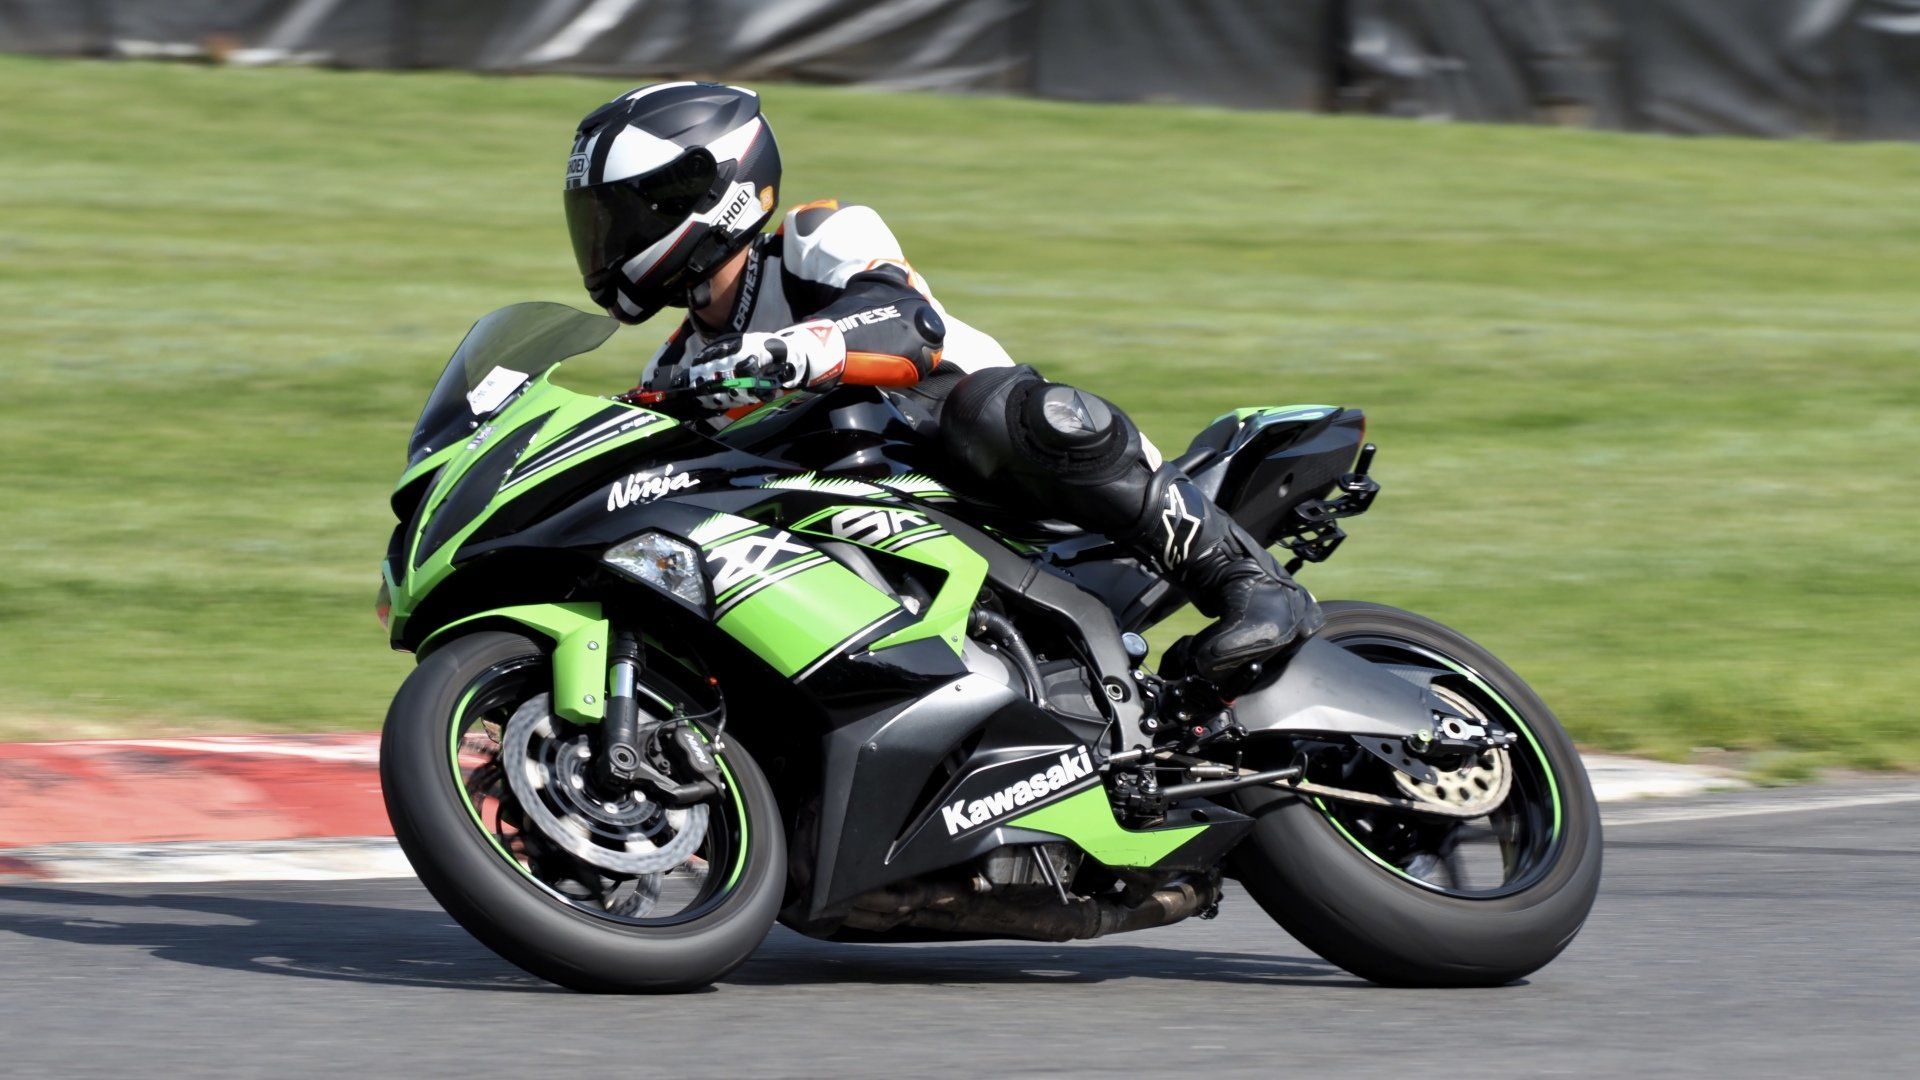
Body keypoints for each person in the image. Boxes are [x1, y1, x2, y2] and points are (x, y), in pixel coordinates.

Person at [563, 82, 1321, 682]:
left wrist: (795, 350)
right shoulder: (673, 367)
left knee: (994, 409)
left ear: (707, 189)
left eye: (624, 216)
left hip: (1007, 481)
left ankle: (1245, 582)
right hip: (856, 531)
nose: (607, 241)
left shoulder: (817, 237)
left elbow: (906, 321)